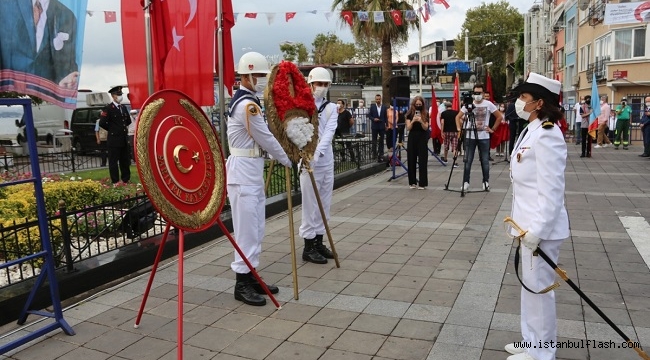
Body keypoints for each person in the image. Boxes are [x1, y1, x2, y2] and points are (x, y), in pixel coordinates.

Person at [504, 72, 569, 360]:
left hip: (540, 230)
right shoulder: (531, 129)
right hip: (526, 227)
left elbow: (552, 190)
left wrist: (538, 230)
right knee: (529, 288)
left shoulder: (547, 134)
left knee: (539, 291)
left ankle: (542, 354)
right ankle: (530, 342)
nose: (519, 102)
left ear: (539, 102)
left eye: (524, 98)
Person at [226, 52, 292, 306]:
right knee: (246, 230)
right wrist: (287, 158)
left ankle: (251, 275)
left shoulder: (250, 101)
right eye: (259, 76)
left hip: (250, 171)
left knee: (256, 228)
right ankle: (242, 283)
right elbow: (265, 137)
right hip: (243, 174)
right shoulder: (247, 106)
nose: (263, 80)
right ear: (246, 76)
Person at [300, 67, 338, 265]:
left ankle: (319, 241)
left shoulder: (331, 108)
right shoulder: (302, 107)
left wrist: (318, 153)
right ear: (311, 84)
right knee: (310, 204)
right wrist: (309, 155)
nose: (321, 88)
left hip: (325, 160)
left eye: (325, 84)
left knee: (324, 202)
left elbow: (329, 133)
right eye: (318, 84)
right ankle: (308, 245)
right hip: (307, 161)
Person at [0, 0, 79, 89]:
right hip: (10, 90)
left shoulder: (67, 16)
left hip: (45, 93)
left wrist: (65, 79)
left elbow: (68, 61)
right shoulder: (4, 7)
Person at [455, 84, 503, 191]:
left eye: (480, 93)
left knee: (485, 160)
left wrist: (492, 129)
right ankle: (466, 181)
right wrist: (459, 129)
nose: (477, 95)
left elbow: (499, 116)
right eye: (475, 93)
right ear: (473, 94)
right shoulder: (468, 105)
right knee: (468, 160)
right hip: (469, 136)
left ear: (483, 93)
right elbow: (457, 117)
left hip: (484, 136)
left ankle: (486, 181)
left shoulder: (488, 104)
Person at [98, 86, 131, 184]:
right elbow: (102, 123)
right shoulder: (108, 108)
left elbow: (127, 120)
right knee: (113, 162)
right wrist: (113, 129)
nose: (120, 96)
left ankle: (125, 179)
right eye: (118, 95)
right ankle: (115, 180)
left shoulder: (123, 107)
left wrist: (121, 129)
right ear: (113, 96)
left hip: (123, 138)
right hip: (114, 139)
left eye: (121, 94)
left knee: (124, 160)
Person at [405, 96, 430, 189]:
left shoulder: (426, 114)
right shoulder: (409, 114)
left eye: (420, 104)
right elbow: (408, 128)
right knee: (411, 159)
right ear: (414, 104)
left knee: (423, 160)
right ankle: (412, 182)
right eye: (417, 104)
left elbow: (426, 127)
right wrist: (413, 121)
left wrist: (421, 121)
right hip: (412, 137)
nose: (418, 106)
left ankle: (422, 183)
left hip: (422, 138)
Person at [368, 94, 388, 162]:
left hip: (381, 126)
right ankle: (374, 154)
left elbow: (386, 117)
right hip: (375, 126)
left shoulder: (384, 107)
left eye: (379, 99)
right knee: (374, 141)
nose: (378, 100)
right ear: (375, 99)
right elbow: (369, 116)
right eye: (377, 99)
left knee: (381, 141)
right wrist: (374, 119)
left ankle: (381, 153)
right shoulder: (372, 107)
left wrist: (387, 125)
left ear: (381, 99)